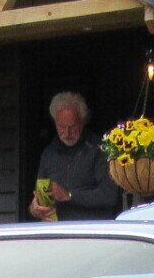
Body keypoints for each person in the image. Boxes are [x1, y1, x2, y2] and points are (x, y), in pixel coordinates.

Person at [29, 91, 121, 222]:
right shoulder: (49, 153)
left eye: (72, 127)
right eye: (61, 126)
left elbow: (110, 195)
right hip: (57, 230)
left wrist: (69, 195)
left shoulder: (99, 149)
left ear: (82, 121)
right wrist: (35, 208)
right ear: (54, 121)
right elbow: (40, 195)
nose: (67, 133)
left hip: (91, 228)